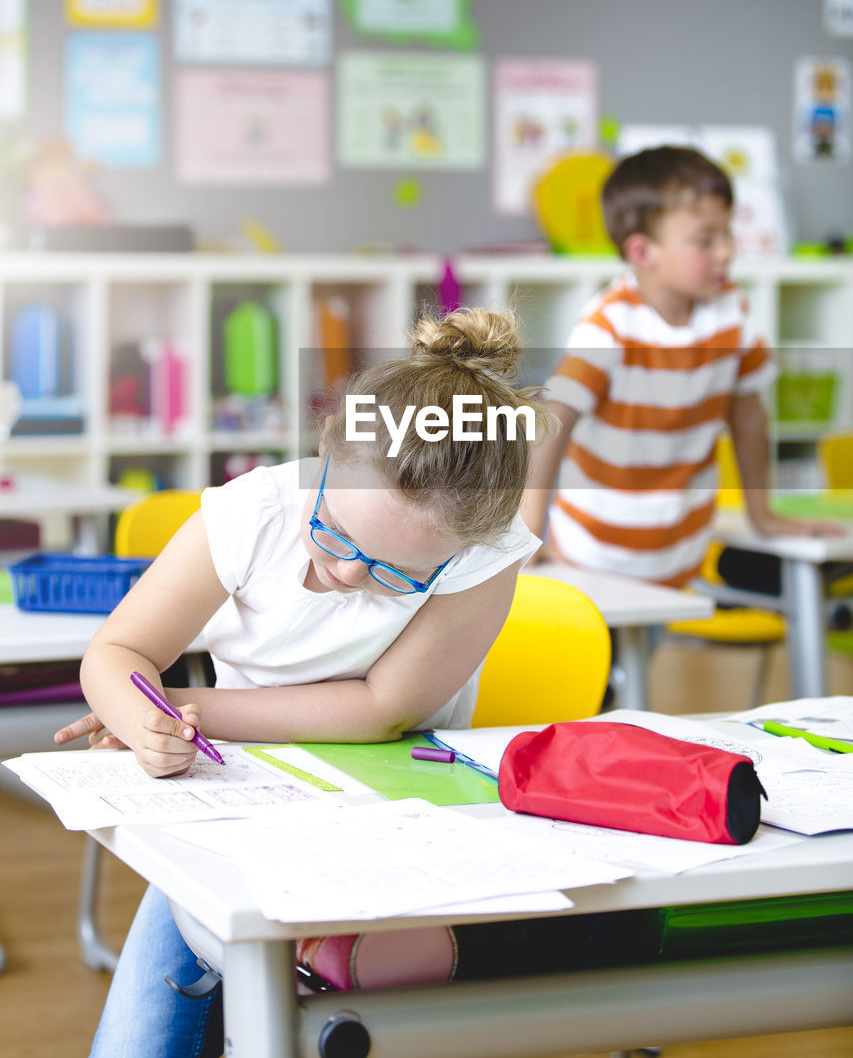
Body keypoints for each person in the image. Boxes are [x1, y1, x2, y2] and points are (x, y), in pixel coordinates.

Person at [55, 306, 544, 1058]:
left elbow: (383, 710)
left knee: (374, 1018)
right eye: (333, 532)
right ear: (325, 453)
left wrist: (188, 708)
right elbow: (118, 649)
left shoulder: (484, 548)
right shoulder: (254, 514)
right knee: (139, 1041)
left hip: (407, 803)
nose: (346, 572)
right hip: (240, 797)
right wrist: (137, 715)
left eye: (391, 573)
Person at [522, 144, 840, 587]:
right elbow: (550, 422)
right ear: (642, 251)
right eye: (705, 240)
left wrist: (762, 514)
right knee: (603, 653)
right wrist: (529, 532)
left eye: (728, 234)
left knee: (649, 653)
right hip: (592, 548)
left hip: (680, 545)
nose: (727, 252)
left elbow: (749, 418)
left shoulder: (732, 313)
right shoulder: (610, 325)